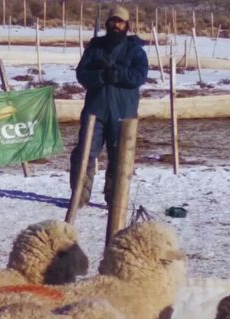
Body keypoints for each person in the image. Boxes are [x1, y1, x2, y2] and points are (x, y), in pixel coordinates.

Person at [70, 6, 148, 207]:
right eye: (113, 21)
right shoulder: (95, 48)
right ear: (107, 23)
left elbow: (140, 76)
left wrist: (120, 74)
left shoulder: (135, 50)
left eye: (120, 21)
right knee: (85, 153)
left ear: (127, 25)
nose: (116, 25)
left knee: (119, 156)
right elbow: (82, 74)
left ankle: (115, 198)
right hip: (95, 110)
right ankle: (79, 195)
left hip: (123, 113)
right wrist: (101, 76)